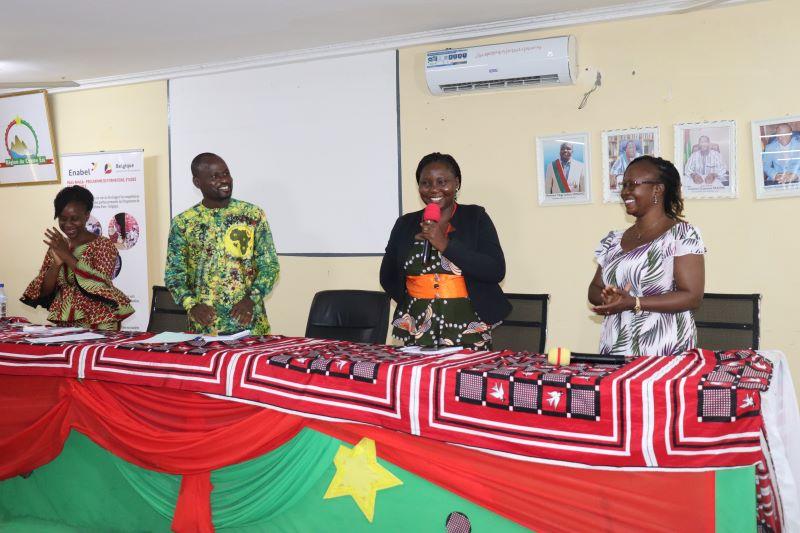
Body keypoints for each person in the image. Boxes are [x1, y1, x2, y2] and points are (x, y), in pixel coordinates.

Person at [380, 152, 511, 349]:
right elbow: (387, 276)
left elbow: (495, 269)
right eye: (426, 183)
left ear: (456, 183)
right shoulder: (405, 224)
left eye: (442, 182)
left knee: (465, 380)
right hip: (416, 328)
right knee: (415, 379)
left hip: (467, 327)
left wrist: (445, 245)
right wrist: (417, 300)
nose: (434, 189)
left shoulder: (475, 217)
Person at [588, 156, 705, 356]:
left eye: (632, 184)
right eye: (623, 185)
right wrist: (609, 298)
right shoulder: (612, 240)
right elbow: (594, 289)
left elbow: (692, 296)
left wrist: (634, 302)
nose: (625, 192)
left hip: (665, 350)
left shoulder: (682, 235)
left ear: (657, 189)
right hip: (616, 347)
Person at [165, 153, 279, 335]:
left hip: (250, 325)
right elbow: (174, 274)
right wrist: (192, 305)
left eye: (226, 174)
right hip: (205, 328)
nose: (224, 180)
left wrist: (251, 299)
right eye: (214, 177)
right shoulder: (184, 223)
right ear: (197, 182)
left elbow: (270, 266)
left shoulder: (252, 215)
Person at [21, 186, 134, 330]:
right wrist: (56, 264)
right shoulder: (58, 245)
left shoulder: (103, 245)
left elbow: (99, 284)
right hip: (65, 321)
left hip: (101, 321)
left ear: (87, 215)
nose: (68, 224)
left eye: (74, 219)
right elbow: (43, 291)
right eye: (62, 219)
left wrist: (66, 255)